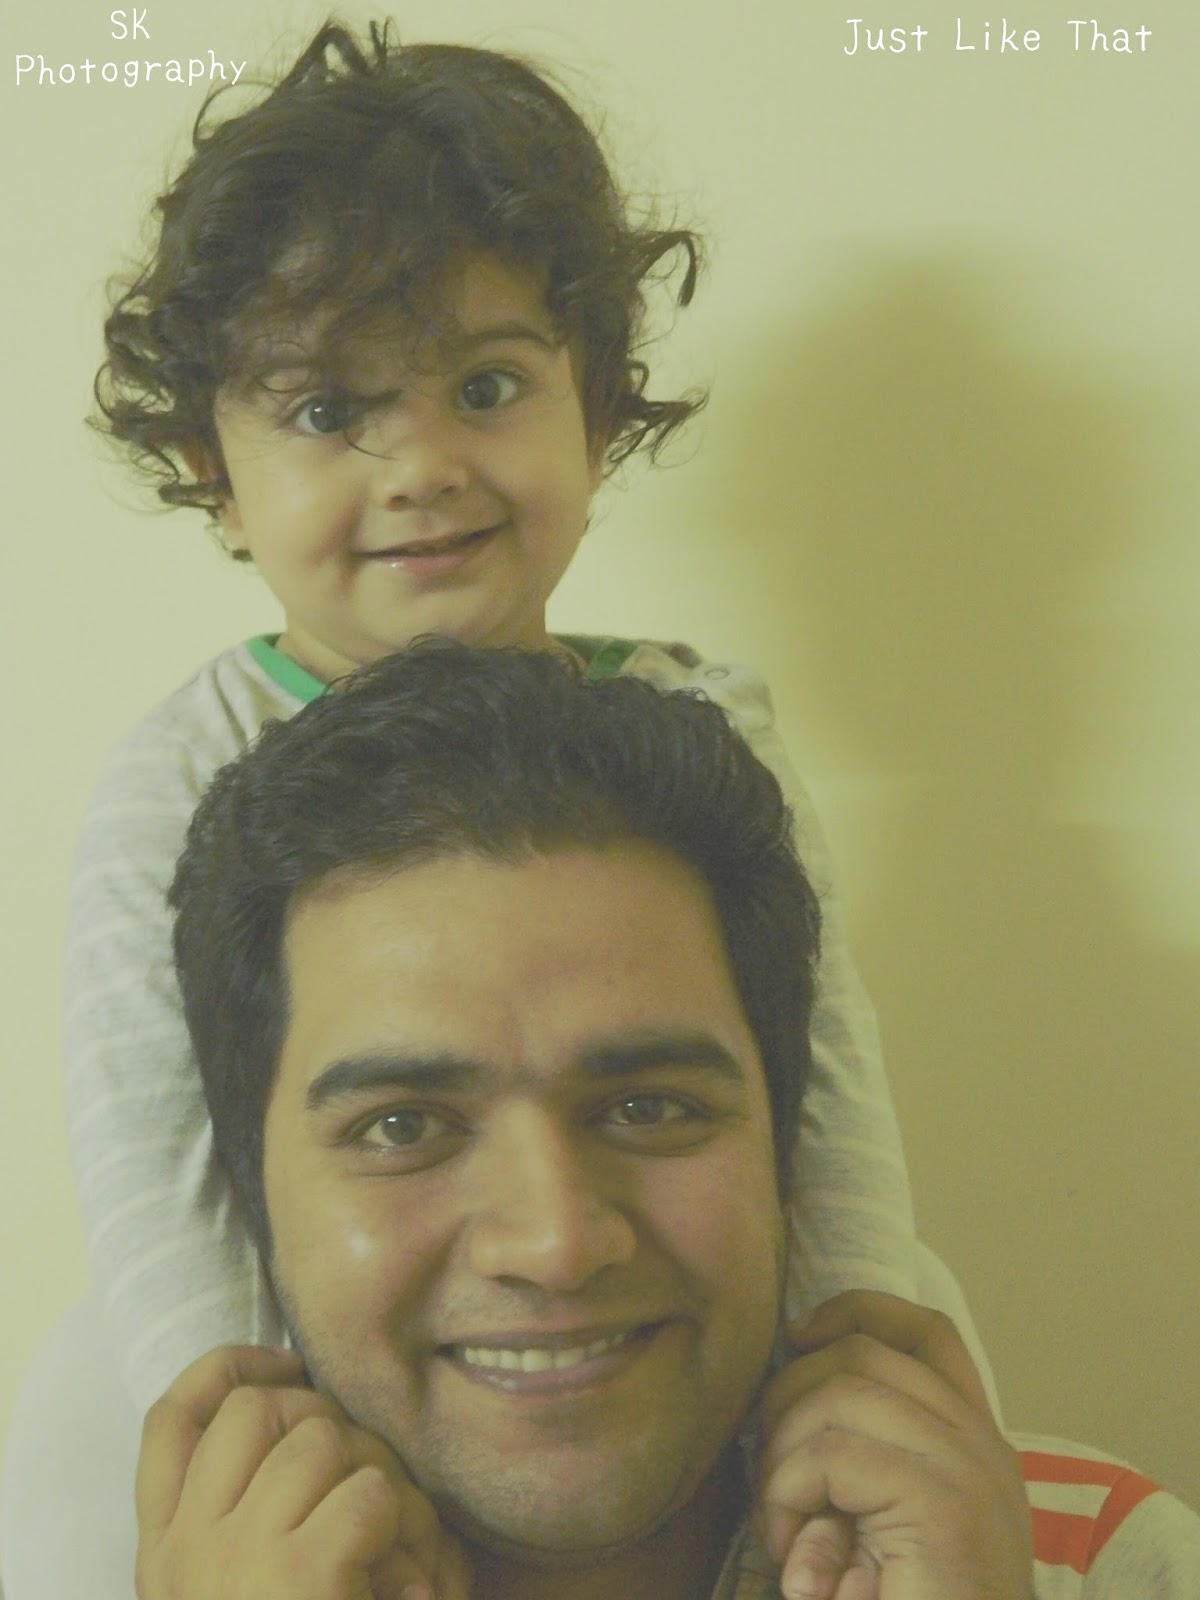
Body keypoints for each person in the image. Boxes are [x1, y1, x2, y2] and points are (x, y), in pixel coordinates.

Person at [67, 15, 919, 1421]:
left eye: (486, 388)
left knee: (920, 1350)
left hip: (659, 1379)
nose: (422, 467)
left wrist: (854, 1372)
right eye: (327, 409)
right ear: (216, 474)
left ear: (598, 413)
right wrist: (248, 1437)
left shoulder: (697, 726)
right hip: (323, 1375)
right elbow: (153, 1160)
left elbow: (825, 1107)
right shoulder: (181, 768)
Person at [138, 641, 1200, 1600]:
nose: (555, 1244)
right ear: (252, 1194)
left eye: (648, 1108)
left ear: (786, 1149)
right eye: (403, 1127)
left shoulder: (1101, 1564)